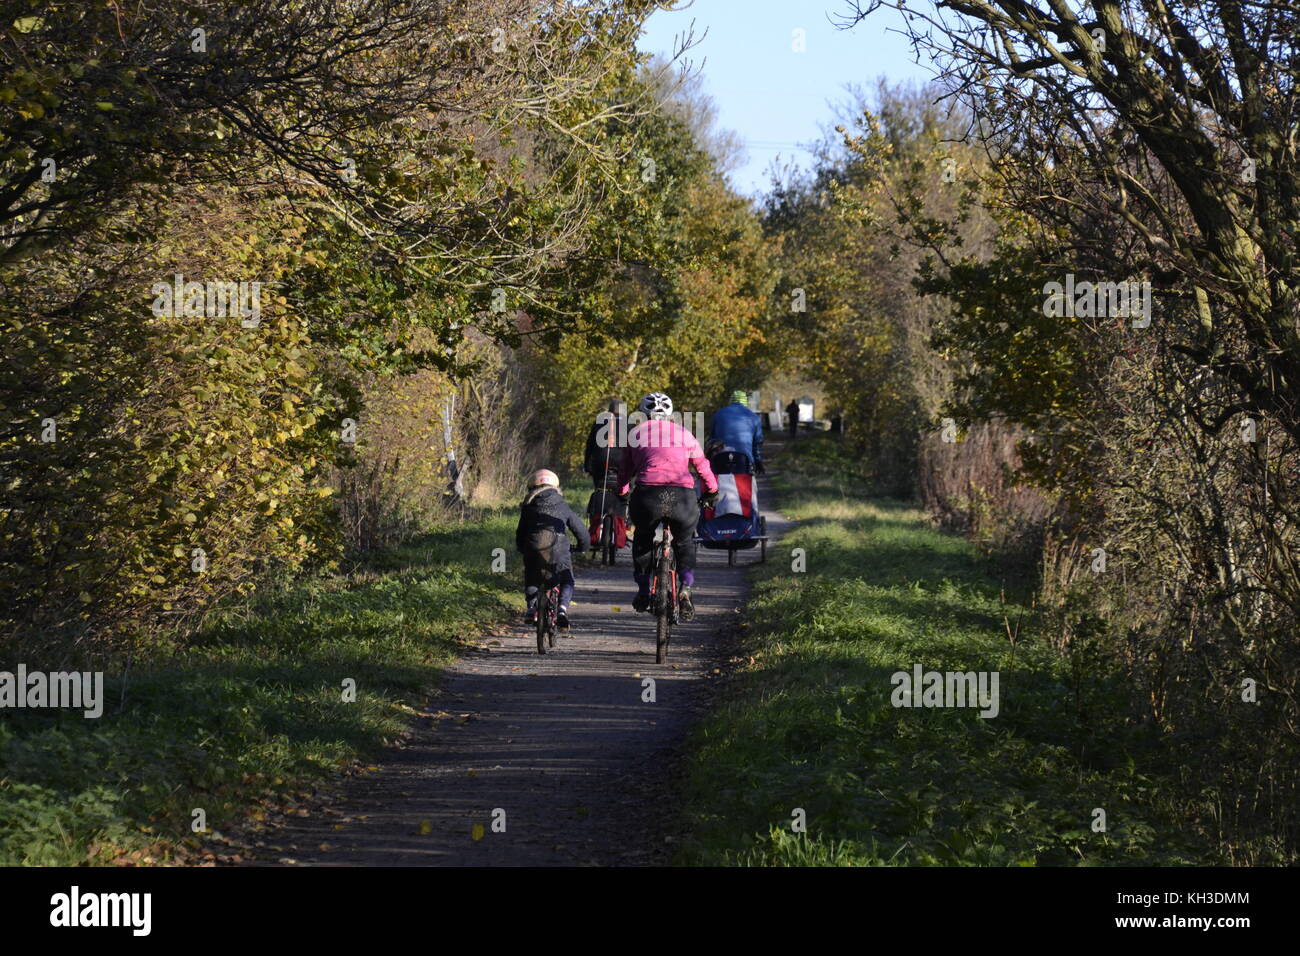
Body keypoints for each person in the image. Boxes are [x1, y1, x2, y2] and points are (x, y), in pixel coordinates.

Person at [616, 392, 719, 622]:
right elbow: (702, 466)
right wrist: (712, 491)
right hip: (681, 497)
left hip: (648, 496)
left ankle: (643, 591)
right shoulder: (684, 434)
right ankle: (685, 588)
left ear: (643, 413)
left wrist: (622, 493)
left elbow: (624, 471)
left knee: (643, 537)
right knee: (684, 541)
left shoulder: (635, 434)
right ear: (671, 414)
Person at [515, 469, 590, 630]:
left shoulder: (528, 507)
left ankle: (531, 608)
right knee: (567, 579)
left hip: (533, 548)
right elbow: (581, 531)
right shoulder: (563, 506)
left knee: (532, 576)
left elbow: (520, 533)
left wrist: (523, 549)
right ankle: (562, 609)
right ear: (555, 486)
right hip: (559, 549)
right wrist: (583, 547)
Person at [582, 399, 628, 550]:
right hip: (622, 462)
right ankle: (625, 523)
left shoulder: (600, 422)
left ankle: (597, 522)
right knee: (625, 491)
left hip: (600, 462)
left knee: (599, 488)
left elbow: (590, 445)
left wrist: (587, 466)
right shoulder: (630, 424)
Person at [709, 389, 765, 474]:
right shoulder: (754, 417)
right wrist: (758, 461)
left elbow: (712, 439)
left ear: (730, 401)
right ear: (746, 403)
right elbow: (757, 443)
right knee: (747, 484)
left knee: (718, 484)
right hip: (745, 460)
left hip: (720, 459)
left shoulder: (718, 414)